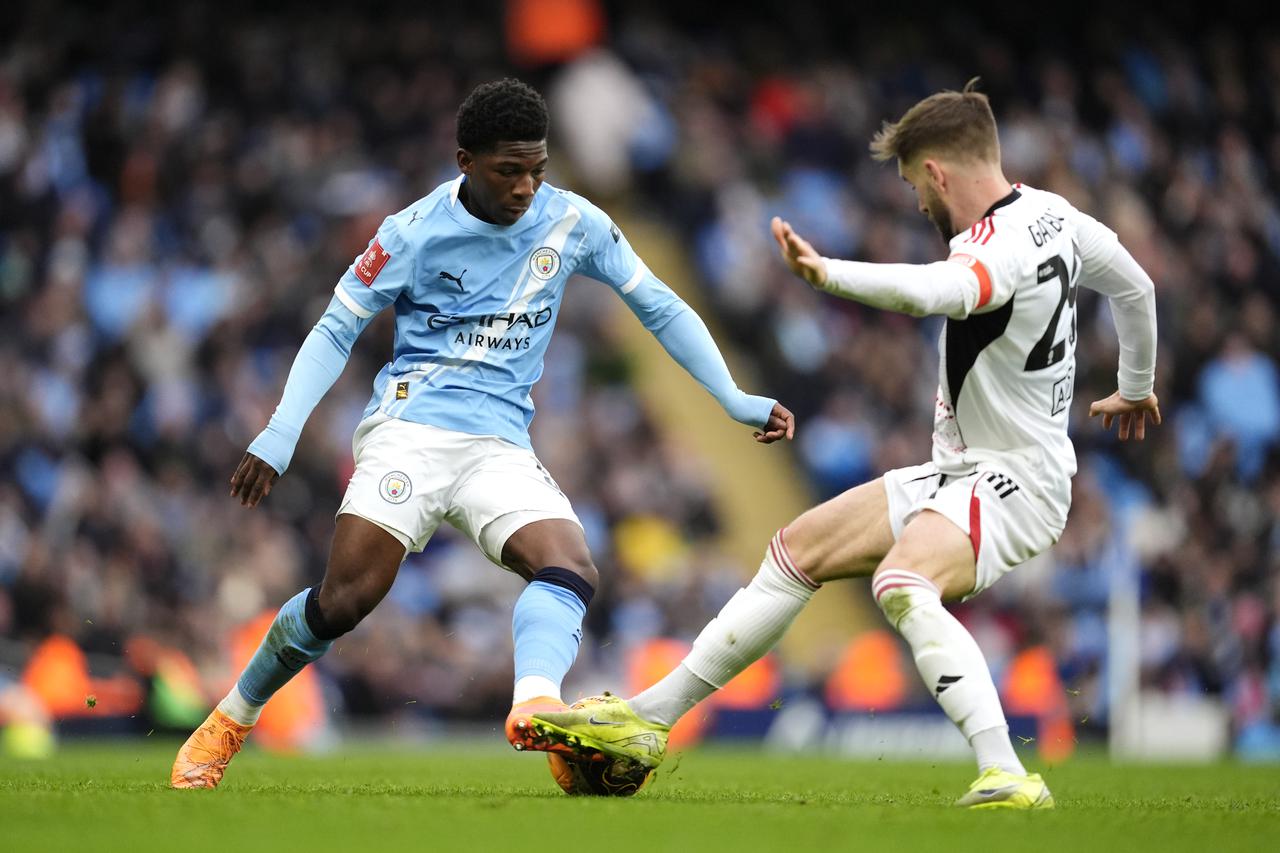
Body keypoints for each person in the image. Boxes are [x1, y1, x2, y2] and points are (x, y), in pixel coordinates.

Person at [525, 79, 1160, 810]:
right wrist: (1137, 383)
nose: (917, 203)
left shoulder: (996, 247)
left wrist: (827, 273)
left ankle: (1008, 774)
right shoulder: (1055, 216)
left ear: (938, 173)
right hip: (964, 469)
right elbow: (1136, 286)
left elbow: (933, 292)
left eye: (912, 184)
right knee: (798, 548)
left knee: (901, 581)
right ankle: (649, 720)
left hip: (1014, 478)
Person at [170, 78, 794, 789]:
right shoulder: (411, 231)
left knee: (570, 564)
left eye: (538, 169)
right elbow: (336, 326)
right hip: (410, 431)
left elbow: (657, 304)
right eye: (508, 170)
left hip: (499, 445)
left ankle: (535, 704)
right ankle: (231, 716)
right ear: (464, 159)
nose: (527, 186)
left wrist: (733, 396)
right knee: (343, 601)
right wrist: (281, 433)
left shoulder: (575, 222)